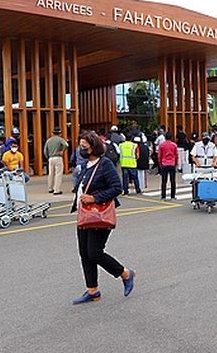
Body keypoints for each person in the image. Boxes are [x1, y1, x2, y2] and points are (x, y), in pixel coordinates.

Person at [71, 130, 134, 304]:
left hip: (99, 215)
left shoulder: (104, 164)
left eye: (84, 146)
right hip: (84, 215)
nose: (81, 149)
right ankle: (93, 291)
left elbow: (116, 188)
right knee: (85, 254)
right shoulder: (85, 165)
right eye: (80, 146)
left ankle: (125, 273)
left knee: (95, 253)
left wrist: (94, 198)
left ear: (93, 147)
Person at [44, 127, 68, 195]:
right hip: (58, 157)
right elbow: (66, 145)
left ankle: (50, 188)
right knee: (58, 174)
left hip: (51, 158)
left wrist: (48, 157)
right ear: (60, 133)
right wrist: (62, 151)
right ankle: (56, 190)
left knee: (51, 173)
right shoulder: (60, 139)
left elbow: (45, 150)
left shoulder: (49, 140)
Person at [158, 132, 178, 200]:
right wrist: (176, 163)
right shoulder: (174, 145)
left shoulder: (161, 145)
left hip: (164, 164)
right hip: (172, 163)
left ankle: (163, 196)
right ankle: (173, 196)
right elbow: (176, 155)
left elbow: (159, 156)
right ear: (171, 138)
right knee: (173, 181)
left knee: (164, 181)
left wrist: (160, 163)